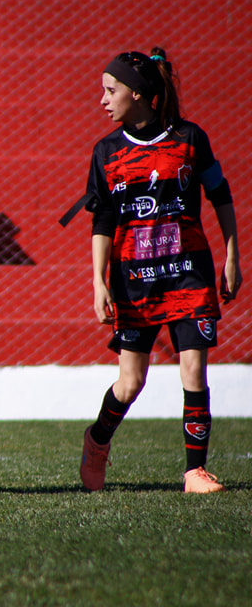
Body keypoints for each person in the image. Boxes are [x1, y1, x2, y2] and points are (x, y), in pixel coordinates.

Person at [79, 48, 242, 494]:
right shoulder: (106, 151)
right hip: (133, 282)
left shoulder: (190, 138)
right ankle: (97, 441)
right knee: (130, 384)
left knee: (193, 371)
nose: (103, 100)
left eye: (111, 91)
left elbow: (220, 195)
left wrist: (232, 255)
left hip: (189, 273)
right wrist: (97, 282)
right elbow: (103, 220)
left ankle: (194, 471)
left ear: (139, 93)